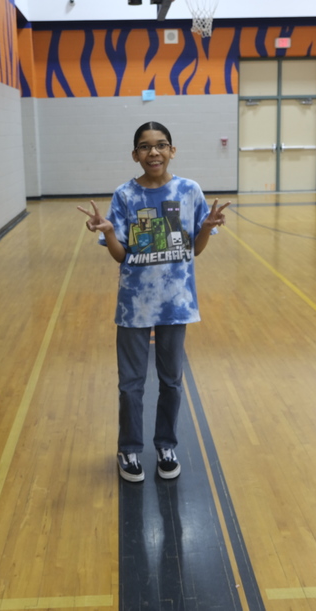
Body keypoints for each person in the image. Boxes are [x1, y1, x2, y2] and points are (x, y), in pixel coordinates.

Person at [78, 122, 229, 483]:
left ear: (172, 150)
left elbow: (192, 249)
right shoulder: (125, 195)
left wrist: (206, 228)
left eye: (161, 145)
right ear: (135, 155)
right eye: (145, 147)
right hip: (134, 304)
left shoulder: (189, 191)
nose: (154, 153)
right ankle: (129, 450)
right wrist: (111, 232)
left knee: (171, 381)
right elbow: (121, 256)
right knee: (130, 383)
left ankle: (166, 444)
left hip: (175, 303)